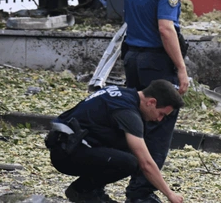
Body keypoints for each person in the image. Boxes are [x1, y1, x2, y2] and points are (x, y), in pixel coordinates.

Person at [121, 0, 189, 203]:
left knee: (137, 124)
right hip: (156, 63)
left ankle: (132, 182)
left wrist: (175, 0)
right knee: (159, 126)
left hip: (132, 58)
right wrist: (182, 68)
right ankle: (141, 192)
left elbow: (140, 10)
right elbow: (165, 28)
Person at [46, 80, 185, 203]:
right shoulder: (127, 113)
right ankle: (83, 191)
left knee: (131, 145)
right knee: (130, 162)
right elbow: (146, 163)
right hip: (65, 154)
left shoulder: (122, 93)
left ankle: (91, 190)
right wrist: (170, 194)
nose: (159, 119)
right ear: (151, 102)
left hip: (68, 145)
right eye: (161, 114)